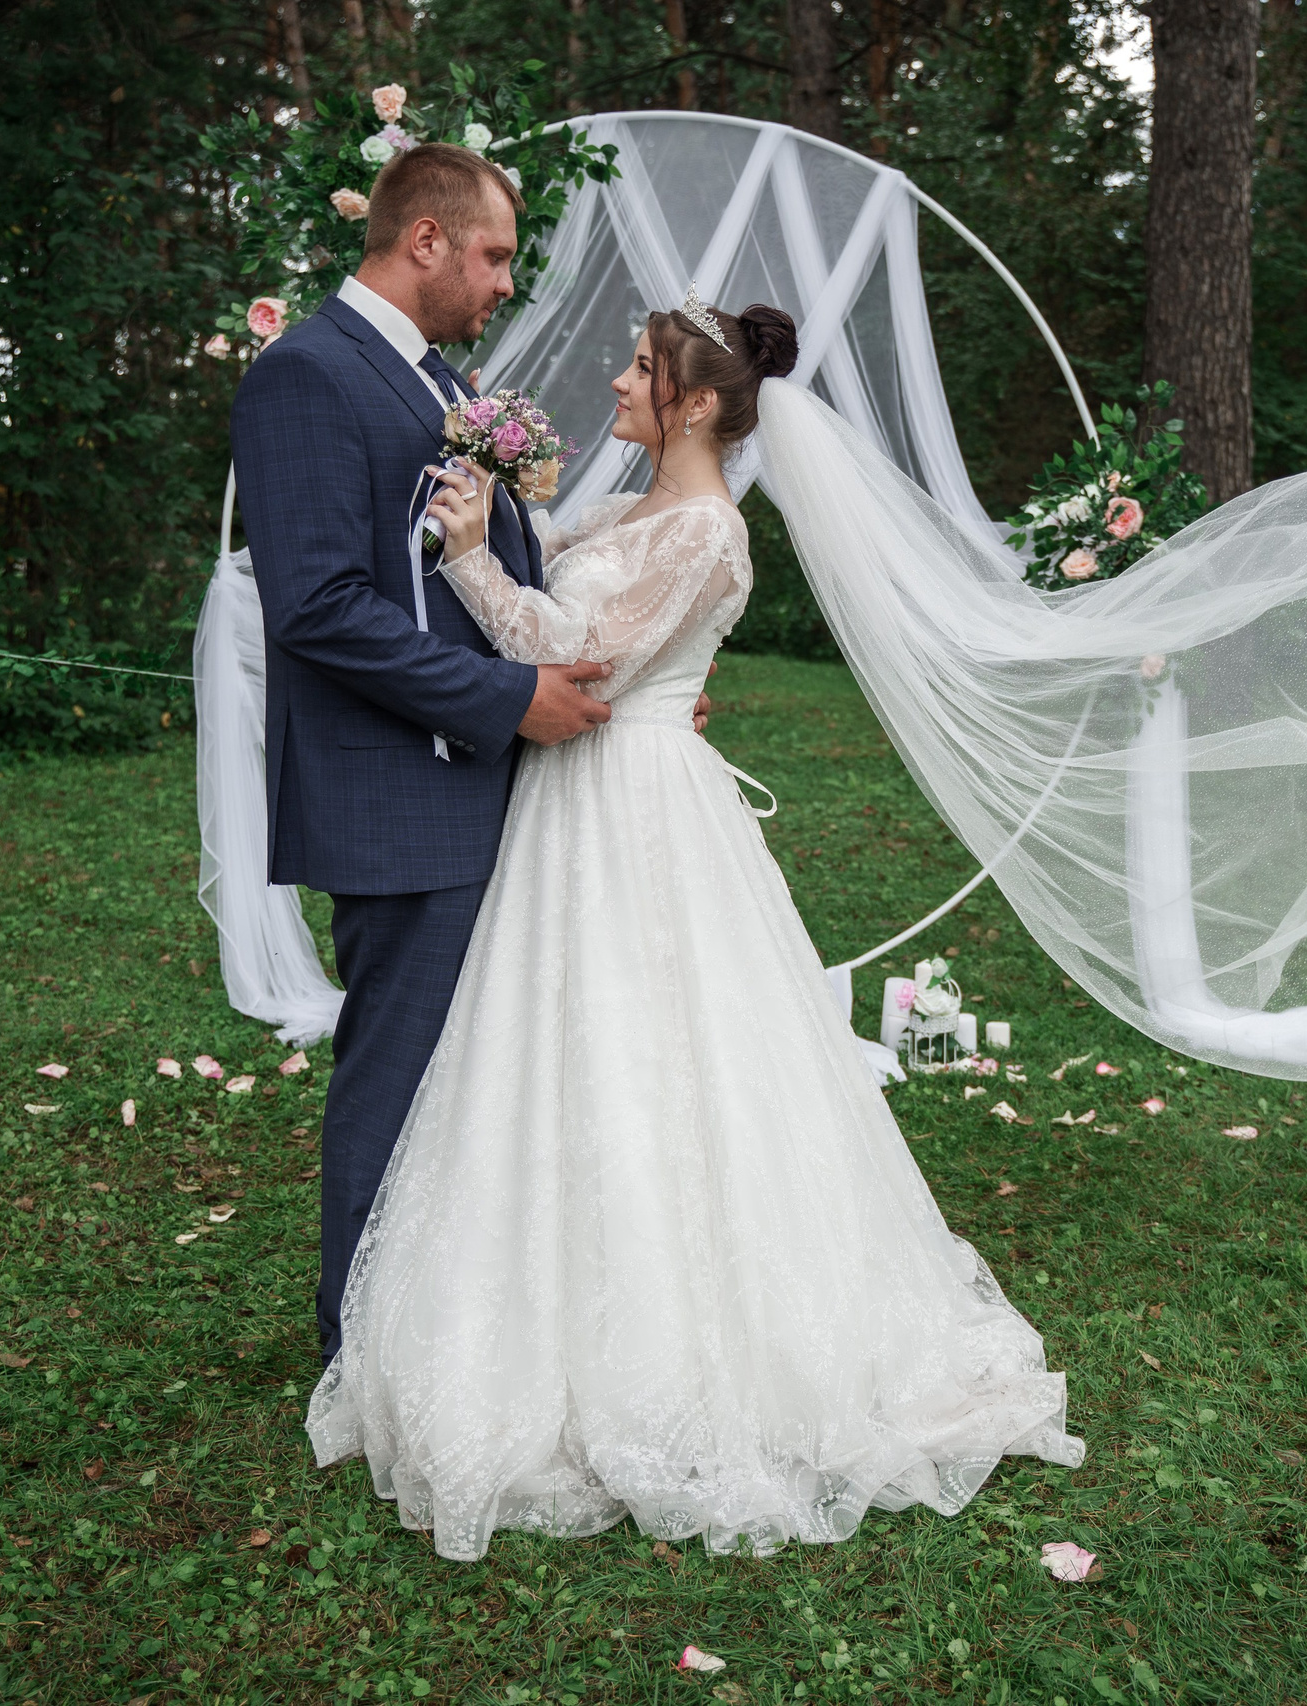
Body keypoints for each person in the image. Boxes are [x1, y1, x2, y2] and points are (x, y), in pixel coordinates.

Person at [303, 295, 1088, 1560]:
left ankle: (687, 1334)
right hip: (571, 804)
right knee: (558, 1039)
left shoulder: (713, 532)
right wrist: (511, 513)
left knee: (658, 1038)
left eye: (640, 368)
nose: (617, 382)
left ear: (700, 401)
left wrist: (468, 558)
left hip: (637, 805)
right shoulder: (629, 512)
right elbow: (584, 588)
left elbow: (584, 661)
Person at [227, 144, 708, 1365]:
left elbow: (500, 569)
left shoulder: (429, 378)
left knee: (481, 1074)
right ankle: (365, 1350)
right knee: (399, 1070)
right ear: (424, 240)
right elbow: (321, 605)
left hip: (487, 778)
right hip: (399, 790)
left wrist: (620, 688)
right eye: (492, 254)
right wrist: (509, 699)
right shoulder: (308, 375)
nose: (505, 281)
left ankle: (459, 1321)